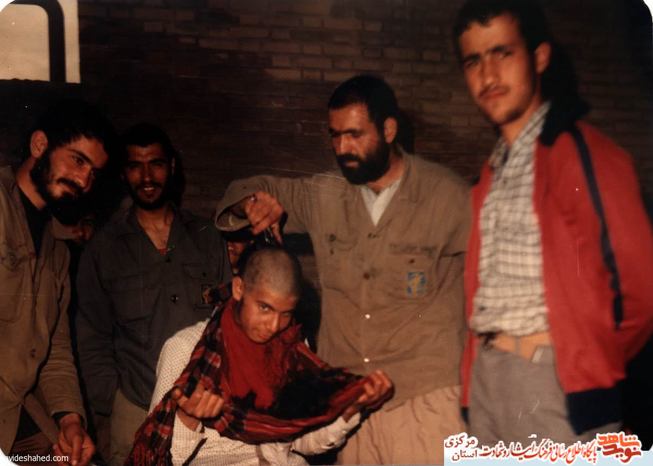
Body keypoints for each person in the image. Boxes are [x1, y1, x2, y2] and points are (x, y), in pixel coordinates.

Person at [215, 75, 470, 464]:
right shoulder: (326, 195)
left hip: (423, 403)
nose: (342, 148)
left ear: (389, 130)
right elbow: (246, 189)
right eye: (334, 136)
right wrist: (252, 203)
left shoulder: (446, 196)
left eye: (354, 135)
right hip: (350, 409)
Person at [453, 0, 653, 446]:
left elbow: (642, 290)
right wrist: (472, 385)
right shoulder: (491, 172)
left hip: (554, 383)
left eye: (502, 52)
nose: (488, 74)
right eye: (473, 60)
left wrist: (589, 363)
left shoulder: (583, 154)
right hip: (488, 382)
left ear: (539, 57)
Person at [131, 247, 393, 465]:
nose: (274, 326)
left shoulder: (291, 349)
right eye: (265, 308)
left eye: (286, 313)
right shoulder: (183, 350)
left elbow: (304, 441)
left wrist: (349, 410)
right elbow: (159, 458)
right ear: (239, 289)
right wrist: (189, 419)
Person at [75, 123, 231, 465]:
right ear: (123, 173)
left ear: (172, 166)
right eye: (135, 166)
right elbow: (91, 336)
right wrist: (114, 402)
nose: (147, 177)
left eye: (156, 164)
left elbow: (228, 321)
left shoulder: (206, 236)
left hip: (202, 412)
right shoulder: (103, 249)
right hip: (135, 410)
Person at [0, 99, 119, 465]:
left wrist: (70, 420)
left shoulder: (57, 247)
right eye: (77, 160)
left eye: (93, 173)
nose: (84, 181)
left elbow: (54, 349)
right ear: (40, 145)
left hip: (19, 416)